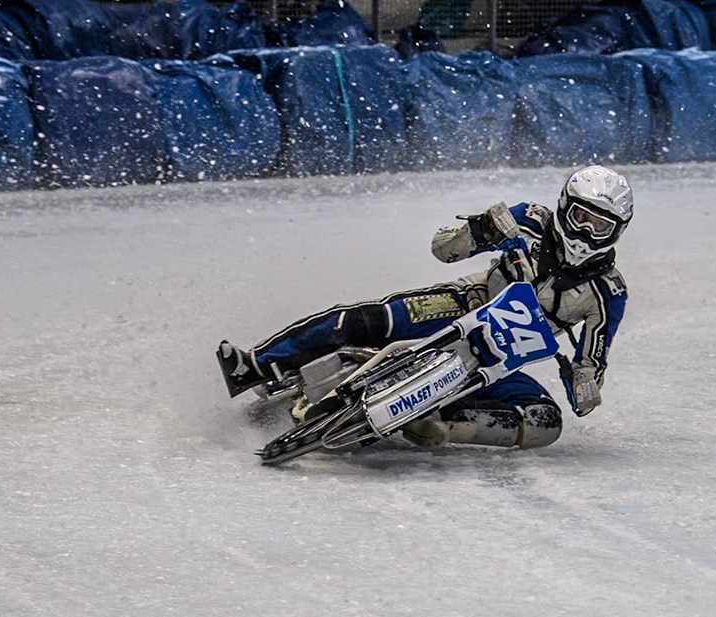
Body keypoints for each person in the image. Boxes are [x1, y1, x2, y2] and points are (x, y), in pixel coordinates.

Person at [217, 166, 633, 450]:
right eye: (581, 217)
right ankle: (255, 364)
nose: (585, 233)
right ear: (563, 206)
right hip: (461, 305)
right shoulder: (528, 220)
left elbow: (591, 367)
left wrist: (584, 383)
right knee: (365, 319)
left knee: (546, 421)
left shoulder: (607, 293)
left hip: (498, 359)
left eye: (600, 226)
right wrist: (478, 229)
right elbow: (442, 249)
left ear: (617, 232)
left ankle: (440, 423)